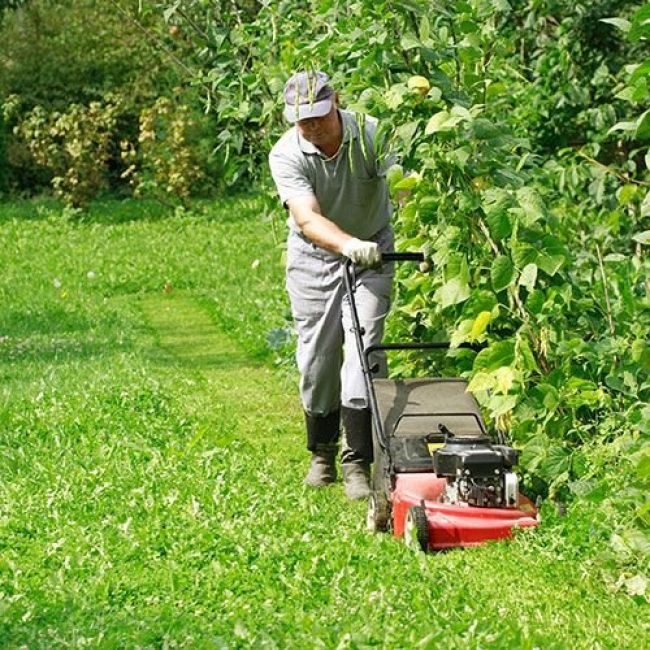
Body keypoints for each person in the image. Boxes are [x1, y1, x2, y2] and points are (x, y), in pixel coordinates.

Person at [268, 70, 394, 500]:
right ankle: (321, 452)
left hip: (374, 252)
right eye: (302, 121)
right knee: (317, 358)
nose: (313, 127)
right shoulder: (286, 154)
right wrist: (346, 244)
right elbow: (306, 217)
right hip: (315, 256)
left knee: (364, 347)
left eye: (319, 116)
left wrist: (422, 236)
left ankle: (357, 461)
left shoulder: (373, 134)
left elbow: (404, 187)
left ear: (335, 101)